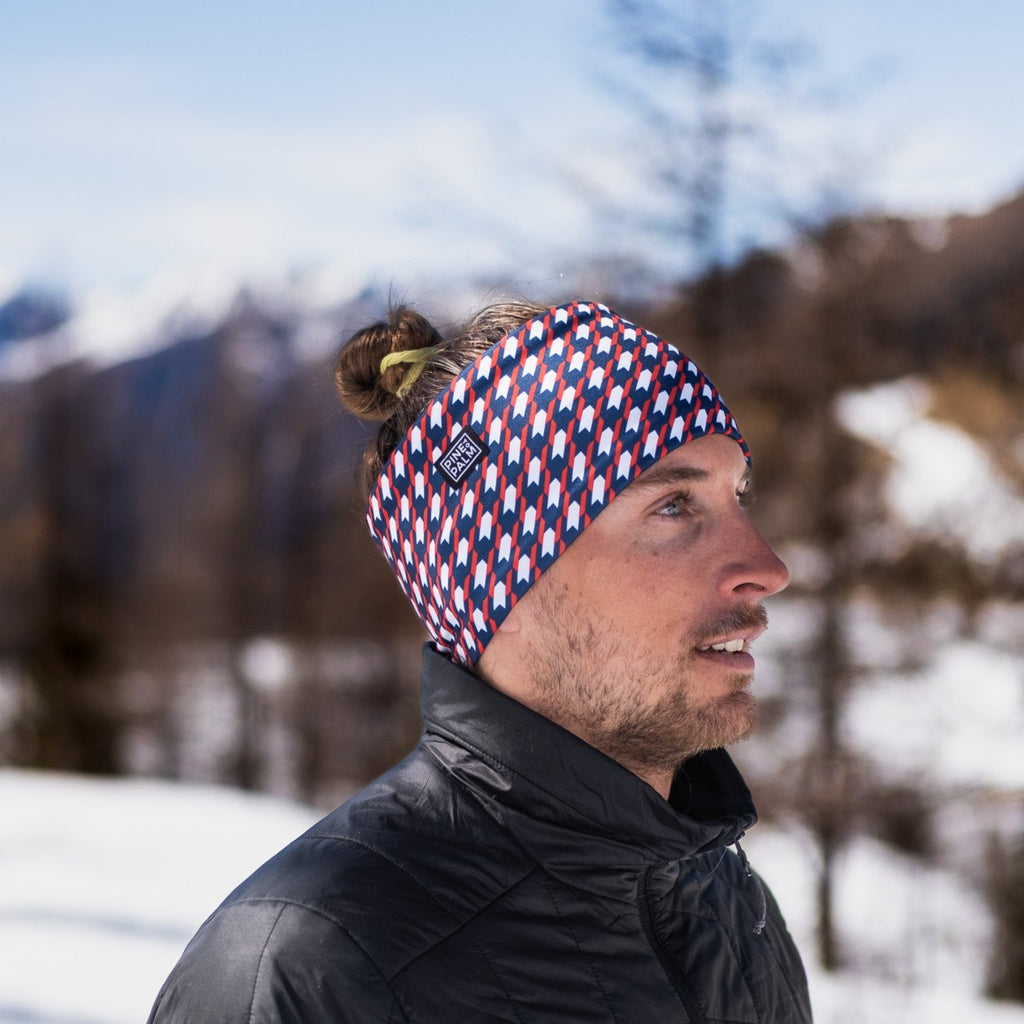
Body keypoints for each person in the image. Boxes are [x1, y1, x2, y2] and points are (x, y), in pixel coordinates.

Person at [148, 299, 812, 1023]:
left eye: (738, 496)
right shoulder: (310, 969)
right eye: (674, 506)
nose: (767, 566)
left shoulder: (733, 911)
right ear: (505, 587)